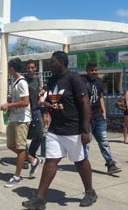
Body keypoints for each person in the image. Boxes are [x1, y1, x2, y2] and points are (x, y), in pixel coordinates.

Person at [22, 51, 97, 210]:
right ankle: (40, 199)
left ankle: (90, 192)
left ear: (61, 62)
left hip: (73, 129)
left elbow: (85, 104)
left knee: (80, 161)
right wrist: (47, 104)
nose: (50, 63)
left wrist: (85, 130)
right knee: (51, 161)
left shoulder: (74, 79)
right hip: (55, 129)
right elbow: (51, 100)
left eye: (53, 61)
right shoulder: (52, 80)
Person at [83, 61, 122, 174]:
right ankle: (84, 165)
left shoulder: (99, 81)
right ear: (87, 71)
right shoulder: (82, 81)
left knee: (104, 141)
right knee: (86, 143)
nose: (94, 72)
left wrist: (104, 112)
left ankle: (111, 165)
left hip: (98, 116)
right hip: (87, 118)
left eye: (95, 70)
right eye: (91, 70)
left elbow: (100, 97)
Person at [0, 58, 31, 187]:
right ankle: (33, 160)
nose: (8, 70)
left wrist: (9, 104)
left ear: (12, 68)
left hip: (22, 120)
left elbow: (25, 102)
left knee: (20, 147)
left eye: (8, 68)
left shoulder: (22, 83)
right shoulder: (15, 82)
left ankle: (17, 176)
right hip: (14, 118)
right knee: (10, 144)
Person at [24, 60, 43, 178]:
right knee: (24, 136)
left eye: (32, 68)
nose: (30, 70)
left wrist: (41, 94)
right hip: (25, 111)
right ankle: (26, 159)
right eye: (28, 68)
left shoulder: (37, 79)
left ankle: (31, 154)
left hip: (36, 110)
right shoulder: (23, 80)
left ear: (35, 68)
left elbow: (39, 90)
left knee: (40, 135)